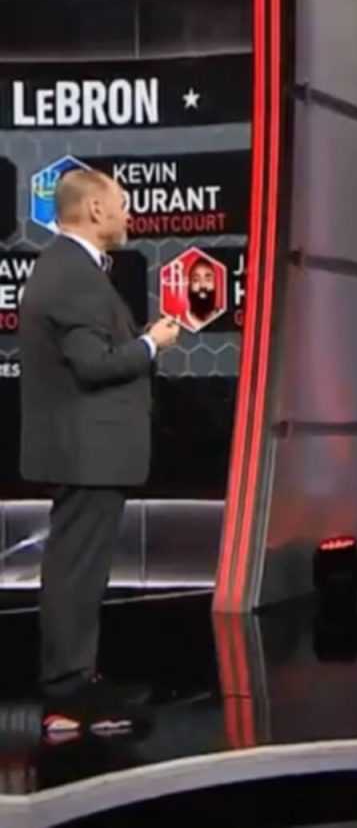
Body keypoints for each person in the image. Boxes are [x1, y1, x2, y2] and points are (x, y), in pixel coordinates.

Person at [18, 168, 181, 734]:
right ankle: (68, 693)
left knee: (80, 569)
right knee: (76, 570)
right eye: (122, 204)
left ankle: (77, 681)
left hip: (88, 450)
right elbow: (93, 365)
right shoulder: (72, 274)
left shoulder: (71, 269)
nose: (128, 215)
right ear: (93, 209)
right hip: (86, 451)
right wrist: (151, 344)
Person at [181, 260, 223, 331]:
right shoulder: (179, 321)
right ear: (189, 287)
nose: (202, 285)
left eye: (208, 279)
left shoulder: (225, 318)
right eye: (196, 280)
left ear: (215, 284)